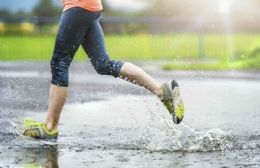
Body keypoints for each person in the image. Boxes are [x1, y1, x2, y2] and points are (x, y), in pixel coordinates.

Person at [18, 0, 184, 140]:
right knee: (103, 64)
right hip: (90, 7)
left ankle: (50, 127)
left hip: (78, 6)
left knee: (60, 62)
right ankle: (162, 91)